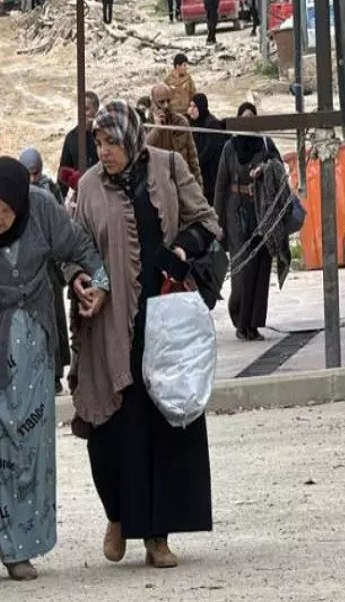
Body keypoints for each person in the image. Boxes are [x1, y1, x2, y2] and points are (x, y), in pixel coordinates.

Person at [0, 156, 109, 582]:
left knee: (27, 448)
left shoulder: (43, 209)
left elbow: (80, 248)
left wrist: (97, 283)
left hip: (31, 344)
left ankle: (19, 548)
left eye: (6, 211)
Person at [72, 101, 220, 568]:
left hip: (165, 321)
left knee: (163, 428)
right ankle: (117, 516)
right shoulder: (89, 186)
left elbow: (206, 222)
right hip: (112, 326)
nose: (105, 151)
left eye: (112, 142)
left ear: (132, 139)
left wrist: (182, 249)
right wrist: (86, 282)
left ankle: (158, 536)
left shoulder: (168, 167)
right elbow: (75, 249)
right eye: (99, 142)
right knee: (112, 431)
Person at [215, 102, 282, 341]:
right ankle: (240, 321)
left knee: (261, 268)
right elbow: (221, 184)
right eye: (243, 119)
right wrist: (217, 220)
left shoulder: (265, 144)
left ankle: (253, 324)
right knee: (242, 268)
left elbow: (279, 168)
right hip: (236, 213)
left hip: (261, 211)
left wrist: (265, 168)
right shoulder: (230, 147)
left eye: (251, 119)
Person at [19, 147, 71, 395]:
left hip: (49, 267)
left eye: (35, 173)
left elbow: (61, 225)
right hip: (26, 269)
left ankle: (55, 374)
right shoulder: (16, 193)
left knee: (54, 319)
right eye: (28, 173)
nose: (32, 179)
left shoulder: (50, 190)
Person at [147, 83, 203, 189]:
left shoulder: (181, 122)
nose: (166, 105)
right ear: (153, 103)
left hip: (181, 181)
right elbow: (142, 150)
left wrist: (198, 186)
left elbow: (192, 157)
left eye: (168, 101)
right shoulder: (147, 124)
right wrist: (157, 128)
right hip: (159, 185)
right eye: (161, 102)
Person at [58, 90, 101, 199]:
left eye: (86, 109)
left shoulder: (103, 135)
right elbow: (63, 172)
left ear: (96, 110)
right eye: (80, 109)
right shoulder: (71, 138)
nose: (82, 113)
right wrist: (59, 201)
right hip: (81, 195)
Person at [189, 93, 228, 205]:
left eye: (194, 106)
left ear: (201, 107)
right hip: (202, 174)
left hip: (211, 176)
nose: (191, 110)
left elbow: (208, 151)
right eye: (190, 106)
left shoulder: (211, 124)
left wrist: (194, 164)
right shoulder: (196, 123)